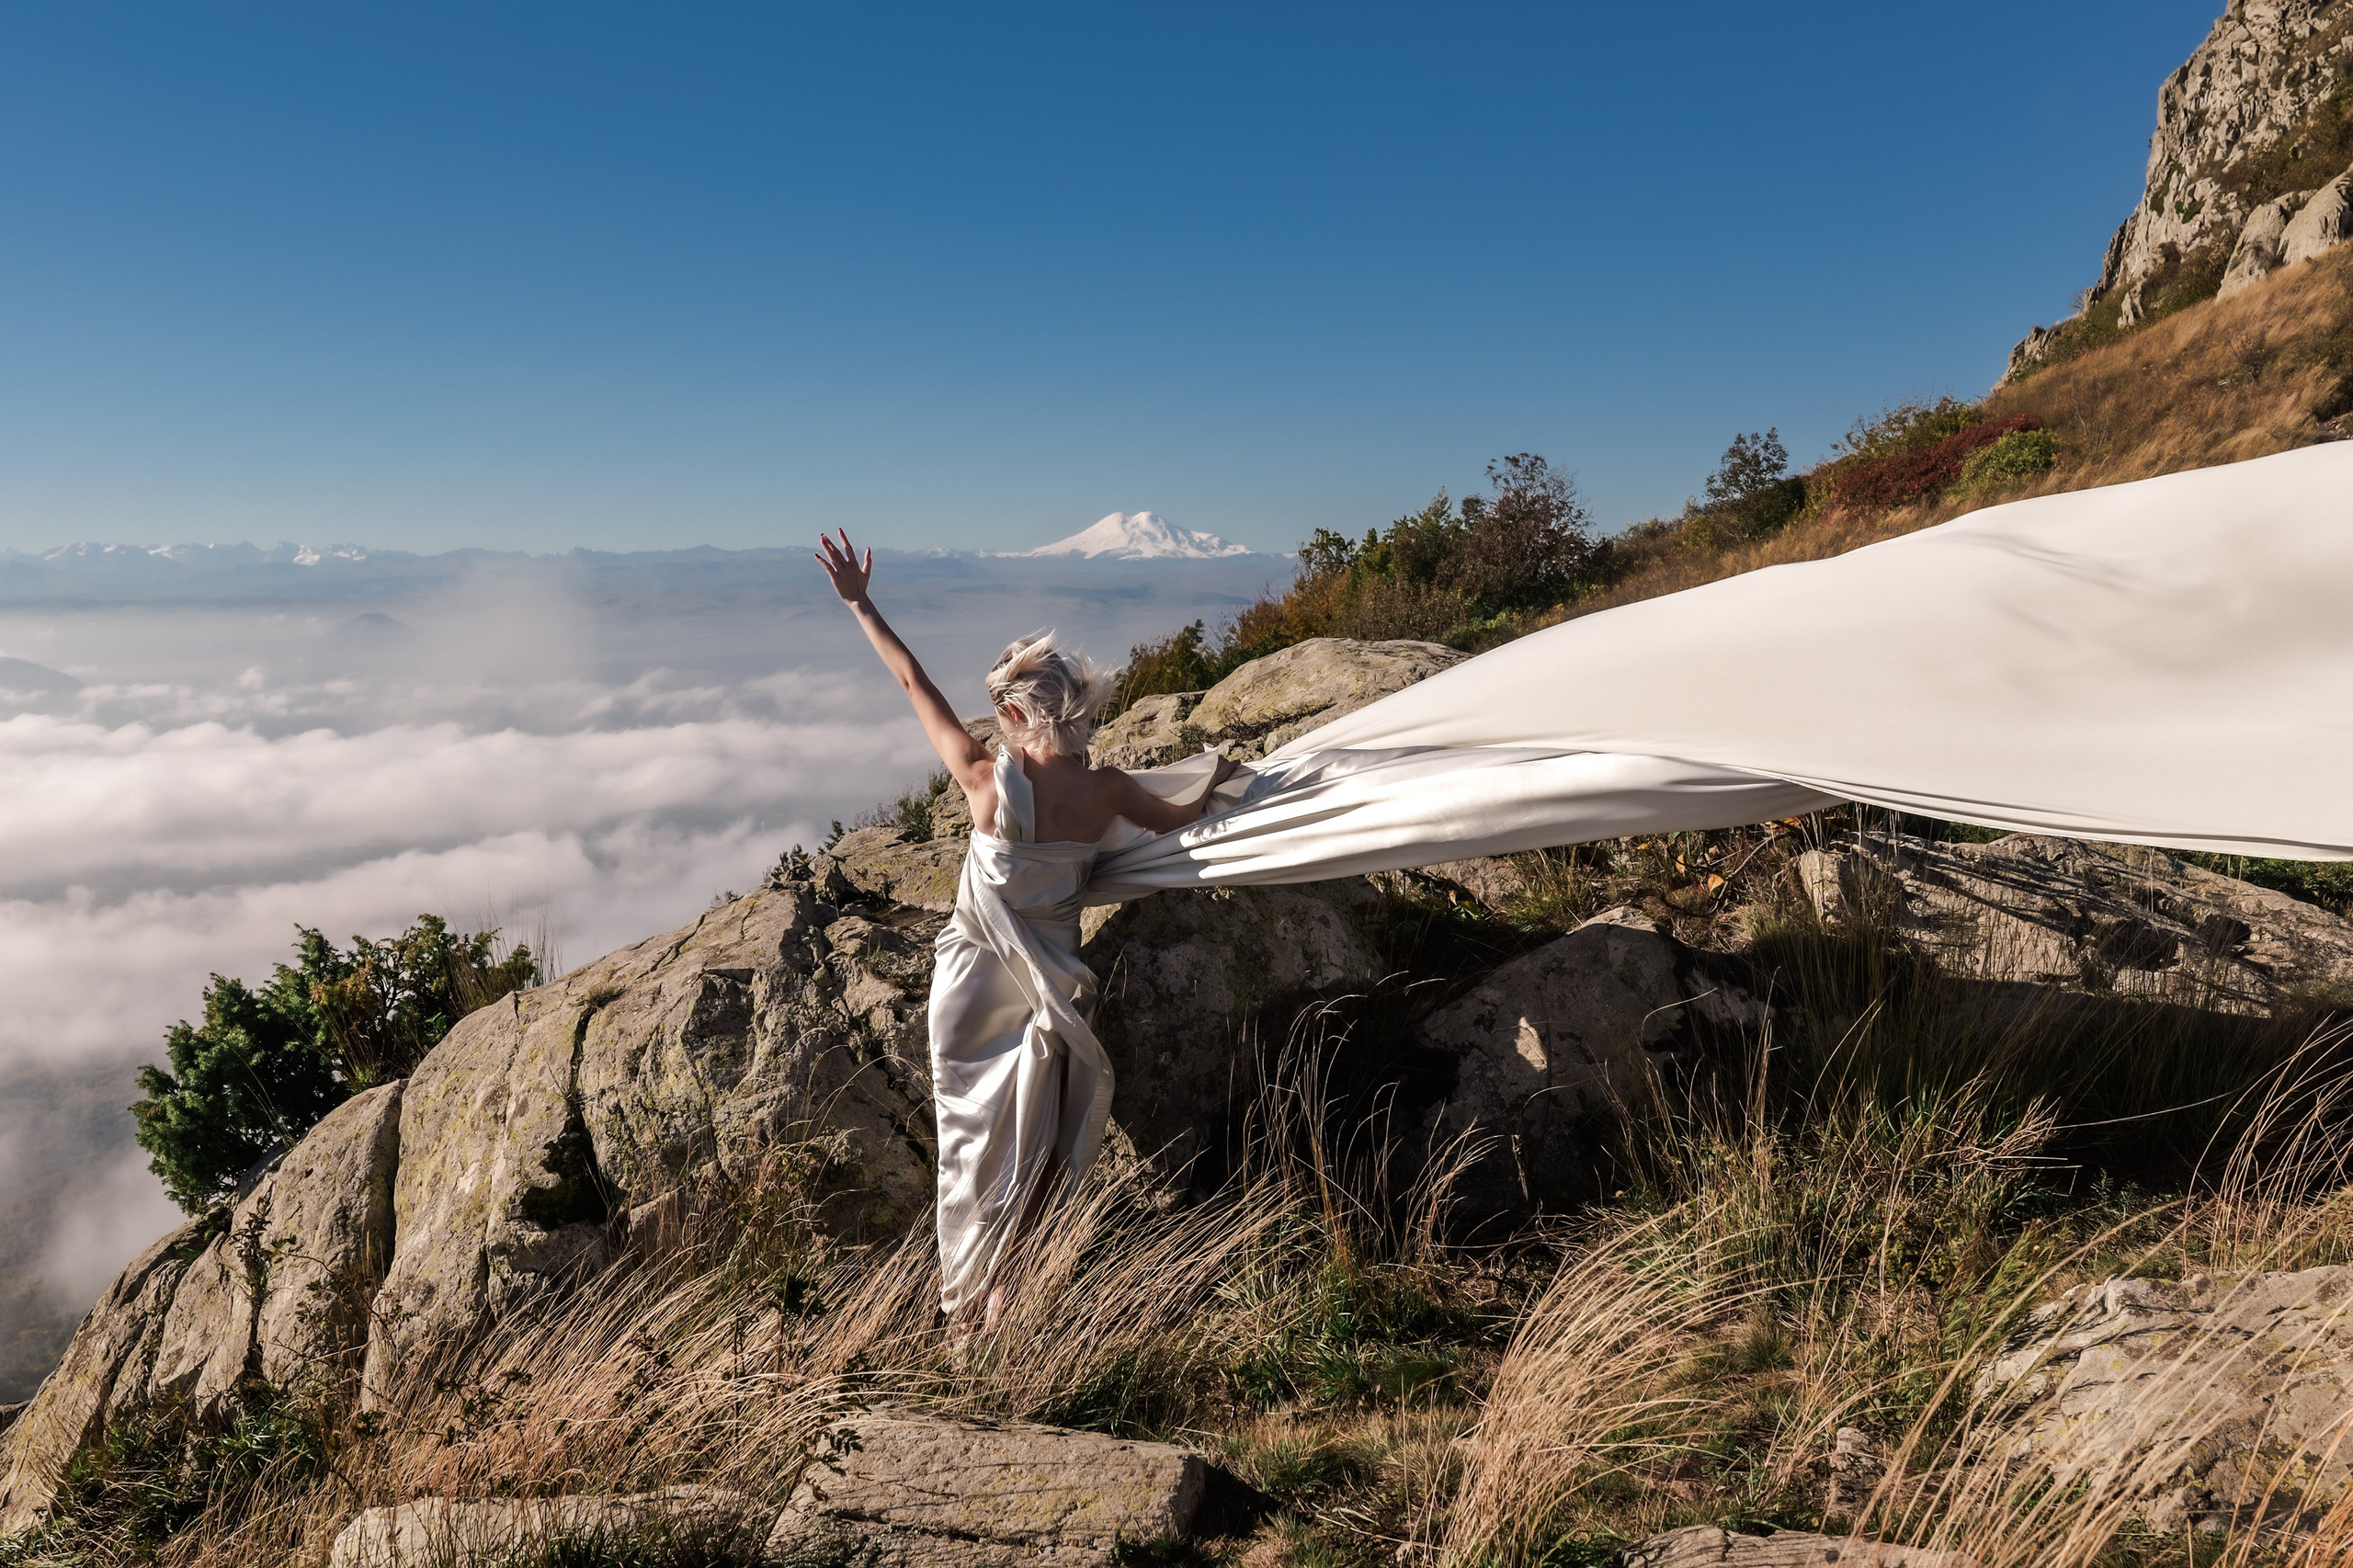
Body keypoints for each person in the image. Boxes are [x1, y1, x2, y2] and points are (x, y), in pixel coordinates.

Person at [814, 529, 1239, 1330]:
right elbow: (1184, 816)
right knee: (1037, 1153)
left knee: (968, 1154)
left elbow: (912, 683)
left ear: (1012, 713)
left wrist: (860, 602)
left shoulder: (985, 781)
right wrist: (1228, 771)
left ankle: (969, 1311)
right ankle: (1007, 1298)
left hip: (969, 988)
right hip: (1047, 996)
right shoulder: (1110, 791)